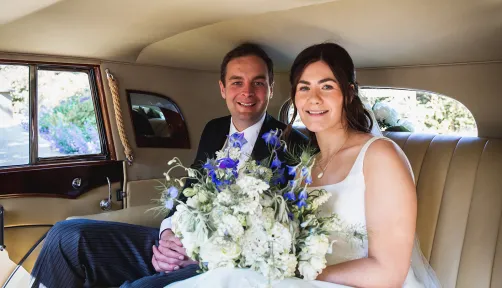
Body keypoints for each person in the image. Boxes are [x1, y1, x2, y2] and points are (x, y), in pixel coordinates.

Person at [29, 43, 308, 288]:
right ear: (223, 88)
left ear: (270, 90)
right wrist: (168, 235)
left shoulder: (292, 144)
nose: (247, 92)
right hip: (179, 242)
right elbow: (188, 191)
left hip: (225, 263)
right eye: (237, 82)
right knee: (66, 236)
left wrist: (206, 252)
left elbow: (281, 230)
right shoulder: (214, 129)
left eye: (258, 83)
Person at [164, 43, 441, 288]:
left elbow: (388, 274)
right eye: (304, 87)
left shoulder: (380, 156)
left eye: (327, 86)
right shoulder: (301, 169)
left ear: (349, 93)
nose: (314, 98)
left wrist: (300, 272)